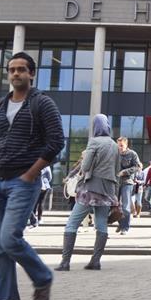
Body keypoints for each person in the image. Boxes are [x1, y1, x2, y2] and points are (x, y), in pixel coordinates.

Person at [0, 51, 64, 300]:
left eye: (21, 69)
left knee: (9, 238)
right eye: (11, 70)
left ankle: (42, 277)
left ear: (31, 74)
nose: (15, 73)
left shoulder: (42, 103)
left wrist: (31, 173)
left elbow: (56, 141)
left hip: (22, 181)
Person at [56, 114, 119, 271]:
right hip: (107, 190)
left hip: (90, 189)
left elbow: (85, 167)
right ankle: (95, 261)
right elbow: (117, 170)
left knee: (72, 223)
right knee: (101, 225)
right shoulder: (114, 144)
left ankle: (65, 262)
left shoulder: (94, 141)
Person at [115, 137, 143, 234]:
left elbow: (138, 166)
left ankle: (125, 228)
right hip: (116, 182)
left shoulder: (132, 154)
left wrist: (125, 172)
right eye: (118, 145)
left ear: (126, 145)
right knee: (115, 205)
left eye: (121, 145)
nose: (120, 147)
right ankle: (120, 223)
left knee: (126, 206)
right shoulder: (114, 153)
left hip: (127, 182)